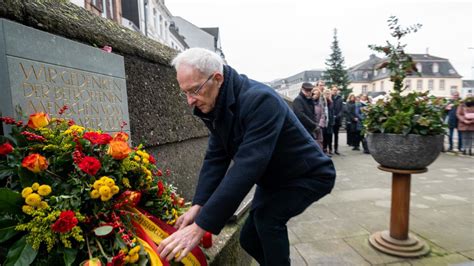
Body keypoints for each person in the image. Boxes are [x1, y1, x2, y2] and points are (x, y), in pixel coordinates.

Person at [157, 48, 336, 265]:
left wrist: (200, 227)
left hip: (308, 174)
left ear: (217, 78)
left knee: (268, 220)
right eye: (184, 92)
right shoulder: (217, 105)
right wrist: (199, 205)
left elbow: (248, 165)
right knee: (249, 239)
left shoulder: (261, 100)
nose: (190, 101)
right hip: (274, 178)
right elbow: (216, 157)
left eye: (194, 90)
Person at [331, 86, 343, 155]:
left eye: (336, 90)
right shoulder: (330, 97)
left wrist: (338, 115)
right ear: (331, 90)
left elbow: (342, 109)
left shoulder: (340, 98)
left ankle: (336, 149)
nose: (335, 91)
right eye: (333, 90)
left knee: (336, 135)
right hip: (331, 119)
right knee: (329, 135)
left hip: (337, 119)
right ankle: (329, 149)